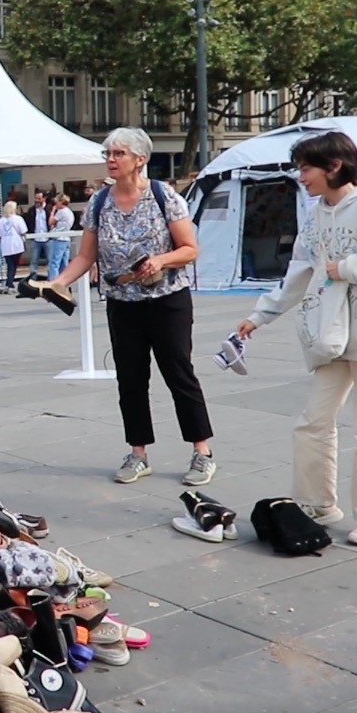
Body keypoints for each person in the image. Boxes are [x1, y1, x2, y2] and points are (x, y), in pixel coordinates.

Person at [235, 131, 357, 547]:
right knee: (312, 423)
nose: (300, 177)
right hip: (332, 336)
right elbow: (299, 271)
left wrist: (352, 267)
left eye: (306, 168)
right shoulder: (316, 212)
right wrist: (259, 316)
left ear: (334, 166)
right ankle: (317, 501)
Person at [50, 127, 216, 486]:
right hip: (122, 302)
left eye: (119, 153)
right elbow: (85, 255)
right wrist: (59, 283)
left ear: (140, 159)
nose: (111, 159)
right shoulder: (98, 202)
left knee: (178, 373)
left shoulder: (164, 196)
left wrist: (160, 260)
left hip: (167, 300)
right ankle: (138, 452)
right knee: (130, 379)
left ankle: (201, 451)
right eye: (108, 153)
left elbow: (190, 248)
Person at [0, 200, 27, 289]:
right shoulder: (18, 219)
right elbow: (23, 231)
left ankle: (9, 282)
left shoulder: (1, 221)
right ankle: (9, 282)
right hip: (16, 244)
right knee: (14, 265)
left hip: (5, 245)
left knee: (10, 265)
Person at [24, 190, 50, 279]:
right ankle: (32, 278)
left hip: (48, 238)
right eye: (36, 198)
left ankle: (51, 278)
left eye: (39, 198)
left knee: (51, 260)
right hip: (36, 238)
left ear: (44, 198)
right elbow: (28, 222)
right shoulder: (31, 210)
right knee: (34, 260)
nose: (37, 200)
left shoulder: (49, 209)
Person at [47, 193, 73, 280]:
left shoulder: (61, 212)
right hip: (66, 239)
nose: (55, 204)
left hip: (59, 239)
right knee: (64, 262)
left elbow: (51, 222)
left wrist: (53, 211)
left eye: (57, 202)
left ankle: (53, 281)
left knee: (54, 262)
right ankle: (64, 281)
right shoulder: (69, 211)